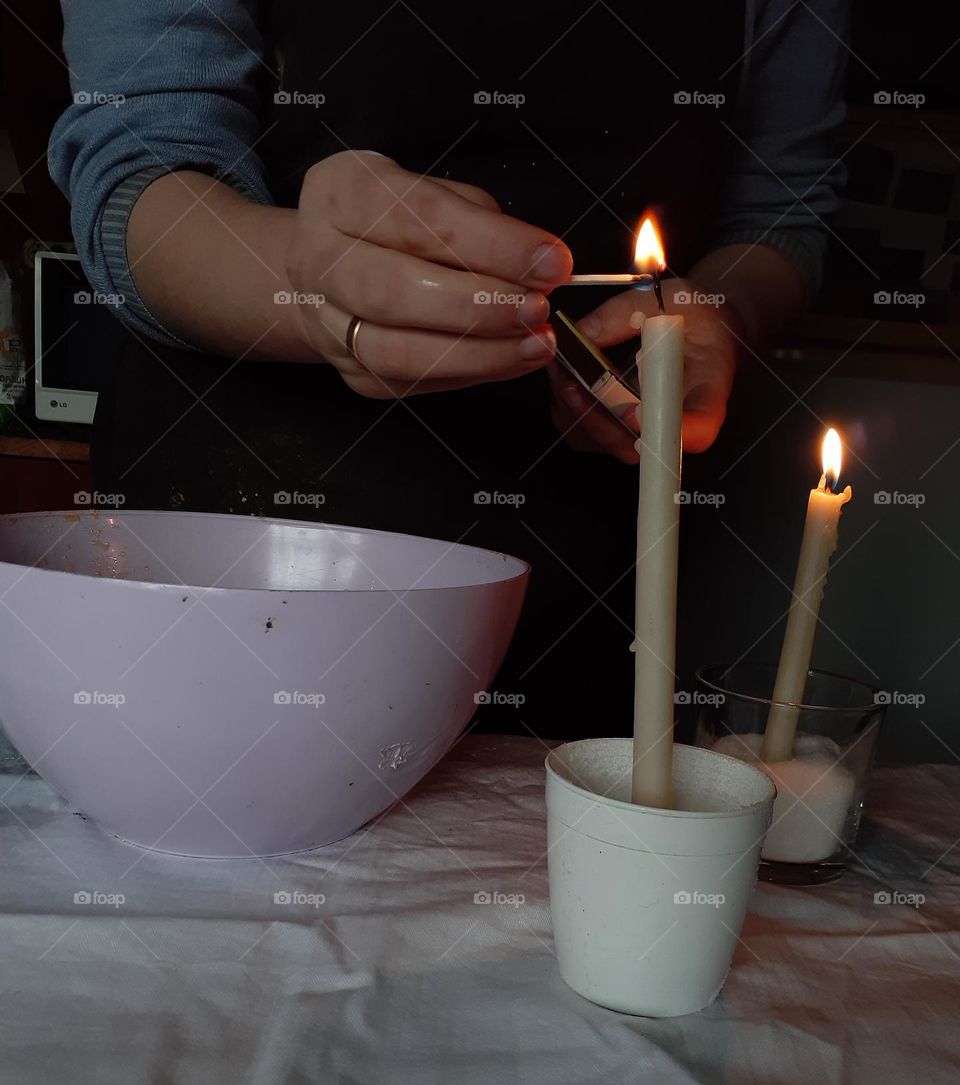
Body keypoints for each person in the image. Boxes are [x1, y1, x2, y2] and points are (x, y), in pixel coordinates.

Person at [48, 0, 849, 736]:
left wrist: (721, 311)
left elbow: (782, 206)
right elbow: (135, 166)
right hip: (237, 521)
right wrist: (308, 283)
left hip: (589, 541)